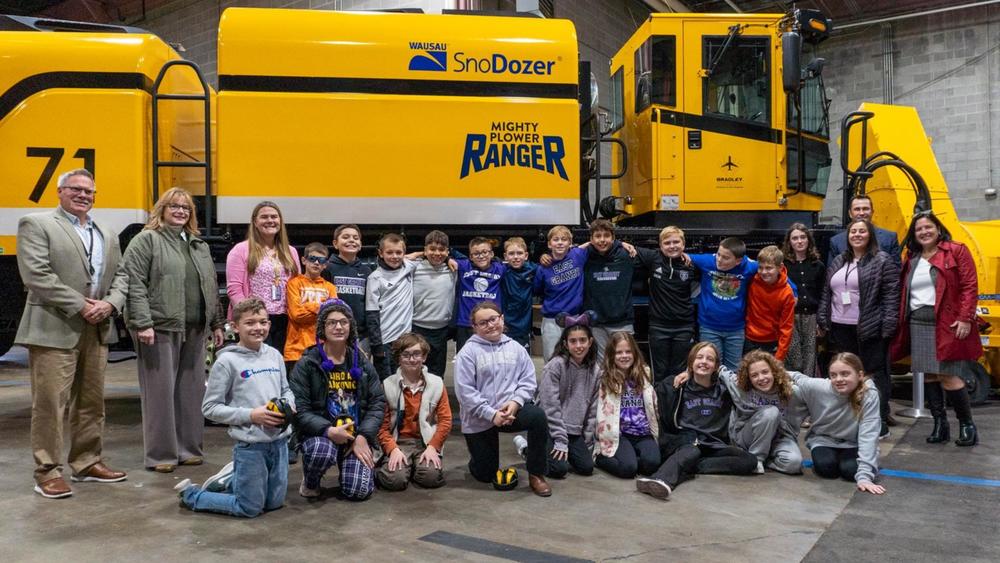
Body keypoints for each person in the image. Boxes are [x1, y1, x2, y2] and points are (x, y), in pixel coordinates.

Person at [15, 168, 129, 499]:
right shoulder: (37, 224)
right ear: (60, 191)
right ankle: (47, 471)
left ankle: (87, 462)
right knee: (51, 403)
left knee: (92, 402)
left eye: (89, 191)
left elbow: (121, 276)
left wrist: (109, 305)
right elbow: (36, 275)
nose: (83, 195)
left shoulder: (106, 232)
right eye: (75, 189)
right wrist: (81, 305)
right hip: (54, 327)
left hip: (97, 328)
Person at [122, 187, 226, 473]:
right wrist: (142, 322)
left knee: (191, 393)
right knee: (159, 393)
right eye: (174, 206)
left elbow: (210, 288)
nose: (180, 211)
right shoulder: (146, 241)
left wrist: (216, 323)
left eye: (186, 208)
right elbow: (134, 284)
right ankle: (161, 455)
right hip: (159, 327)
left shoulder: (198, 245)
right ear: (162, 210)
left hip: (195, 328)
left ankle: (189, 449)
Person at [176, 297, 297, 516]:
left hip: (279, 443)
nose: (258, 327)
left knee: (274, 503)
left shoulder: (275, 356)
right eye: (250, 323)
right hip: (251, 446)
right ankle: (193, 495)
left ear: (269, 324)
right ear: (235, 326)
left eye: (262, 322)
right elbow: (210, 408)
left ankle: (234, 479)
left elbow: (286, 390)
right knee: (249, 508)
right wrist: (252, 415)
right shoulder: (226, 362)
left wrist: (289, 404)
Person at [891, 212, 981, 446]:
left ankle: (967, 425)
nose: (924, 232)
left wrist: (965, 318)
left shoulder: (956, 250)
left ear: (938, 229)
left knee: (949, 375)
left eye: (928, 227)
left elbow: (970, 286)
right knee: (928, 374)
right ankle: (940, 425)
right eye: (919, 229)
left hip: (947, 322)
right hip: (918, 322)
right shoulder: (912, 258)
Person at [635, 342, 757, 500]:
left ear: (716, 366)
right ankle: (660, 479)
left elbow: (746, 389)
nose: (704, 362)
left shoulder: (725, 390)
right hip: (684, 441)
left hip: (712, 444)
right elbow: (656, 403)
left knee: (749, 461)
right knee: (692, 451)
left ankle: (687, 466)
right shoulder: (677, 385)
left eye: (710, 359)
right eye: (699, 357)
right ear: (691, 363)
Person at [454, 302, 552, 497]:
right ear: (474, 327)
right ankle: (478, 458)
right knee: (485, 475)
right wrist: (491, 415)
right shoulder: (467, 353)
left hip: (511, 412)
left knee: (538, 417)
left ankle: (536, 473)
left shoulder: (516, 348)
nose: (490, 325)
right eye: (483, 323)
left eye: (493, 319)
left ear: (502, 319)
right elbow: (465, 393)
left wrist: (516, 402)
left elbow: (528, 381)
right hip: (481, 417)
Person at [290, 299, 385, 501]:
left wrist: (363, 437)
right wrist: (329, 431)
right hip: (323, 435)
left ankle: (351, 470)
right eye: (331, 322)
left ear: (351, 327)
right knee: (319, 452)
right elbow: (301, 409)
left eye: (344, 322)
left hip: (355, 435)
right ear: (322, 328)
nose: (338, 327)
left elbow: (377, 403)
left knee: (358, 491)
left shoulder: (363, 363)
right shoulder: (308, 364)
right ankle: (311, 482)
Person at [819, 218, 899, 438]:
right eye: (853, 231)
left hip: (870, 327)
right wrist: (823, 319)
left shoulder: (882, 260)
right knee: (847, 374)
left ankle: (879, 421)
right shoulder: (838, 260)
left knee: (874, 375)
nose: (857, 235)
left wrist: (888, 325)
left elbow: (892, 296)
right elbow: (828, 292)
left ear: (870, 235)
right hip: (840, 327)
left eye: (862, 231)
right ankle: (852, 418)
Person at [674, 350, 804, 474]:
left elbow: (815, 388)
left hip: (779, 438)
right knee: (771, 412)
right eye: (754, 375)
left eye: (765, 372)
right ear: (748, 377)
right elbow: (714, 368)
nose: (761, 378)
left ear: (774, 372)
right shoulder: (739, 386)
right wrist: (688, 372)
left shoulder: (792, 391)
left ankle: (767, 459)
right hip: (747, 436)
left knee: (793, 464)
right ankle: (756, 460)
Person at [794, 353, 885, 495]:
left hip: (854, 443)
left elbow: (869, 434)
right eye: (833, 375)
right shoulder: (820, 387)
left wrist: (865, 477)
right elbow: (796, 377)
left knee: (850, 471)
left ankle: (865, 460)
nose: (839, 379)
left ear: (860, 375)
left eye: (845, 374)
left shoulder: (869, 394)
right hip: (824, 440)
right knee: (826, 469)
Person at [376, 333, 452, 490]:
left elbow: (445, 421)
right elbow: (381, 426)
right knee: (394, 481)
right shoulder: (387, 385)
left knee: (430, 478)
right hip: (398, 442)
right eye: (406, 355)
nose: (412, 359)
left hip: (424, 443)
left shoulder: (437, 384)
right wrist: (392, 449)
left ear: (424, 357)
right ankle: (400, 467)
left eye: (417, 354)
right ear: (398, 358)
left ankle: (413, 466)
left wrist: (433, 446)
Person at [225, 201, 300, 354]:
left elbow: (297, 284)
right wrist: (249, 318)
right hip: (256, 321)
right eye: (264, 217)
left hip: (285, 320)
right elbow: (234, 290)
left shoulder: (290, 251)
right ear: (255, 222)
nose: (270, 220)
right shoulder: (240, 250)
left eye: (274, 217)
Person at [528, 322, 600, 478]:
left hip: (573, 430)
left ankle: (547, 450)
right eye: (573, 341)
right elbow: (550, 407)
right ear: (565, 344)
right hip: (549, 427)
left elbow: (593, 410)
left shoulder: (595, 370)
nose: (578, 345)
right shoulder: (555, 366)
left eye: (583, 340)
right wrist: (560, 439)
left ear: (590, 342)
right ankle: (528, 449)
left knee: (586, 467)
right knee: (559, 469)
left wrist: (587, 441)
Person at [593, 332, 660, 479]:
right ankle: (600, 457)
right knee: (628, 469)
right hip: (620, 433)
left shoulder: (644, 373)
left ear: (635, 353)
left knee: (652, 465)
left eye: (628, 351)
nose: (624, 355)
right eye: (619, 352)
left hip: (643, 433)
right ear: (611, 355)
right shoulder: (605, 378)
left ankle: (632, 456)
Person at [635, 226, 698, 382]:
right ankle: (660, 405)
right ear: (660, 246)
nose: (672, 246)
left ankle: (677, 405)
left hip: (684, 327)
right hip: (659, 327)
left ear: (683, 244)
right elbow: (622, 246)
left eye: (676, 242)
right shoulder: (653, 258)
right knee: (659, 372)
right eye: (667, 243)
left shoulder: (690, 264)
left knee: (680, 372)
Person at [687, 237, 758, 370]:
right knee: (711, 368)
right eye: (719, 254)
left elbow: (774, 268)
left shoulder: (749, 266)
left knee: (733, 370)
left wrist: (793, 290)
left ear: (738, 261)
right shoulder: (707, 261)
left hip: (735, 330)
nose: (719, 259)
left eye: (726, 258)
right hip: (709, 327)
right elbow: (681, 255)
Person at [366, 233, 418, 378]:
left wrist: (448, 258)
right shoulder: (375, 277)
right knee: (386, 383)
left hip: (405, 340)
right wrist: (377, 346)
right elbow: (372, 313)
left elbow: (429, 254)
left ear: (404, 253)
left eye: (398, 252)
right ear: (380, 253)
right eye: (389, 252)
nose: (394, 256)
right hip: (385, 342)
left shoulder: (409, 267)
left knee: (405, 380)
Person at [583, 219, 638, 357]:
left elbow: (659, 255)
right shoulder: (584, 256)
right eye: (597, 236)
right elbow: (567, 253)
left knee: (624, 362)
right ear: (591, 239)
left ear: (613, 238)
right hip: (597, 324)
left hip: (622, 323)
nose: (602, 240)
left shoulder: (626, 255)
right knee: (601, 367)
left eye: (606, 236)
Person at [535, 225, 588, 360]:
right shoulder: (543, 267)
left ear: (570, 243)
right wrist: (542, 256)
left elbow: (595, 243)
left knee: (576, 359)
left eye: (564, 239)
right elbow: (537, 290)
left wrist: (623, 244)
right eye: (556, 239)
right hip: (552, 320)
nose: (559, 242)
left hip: (575, 319)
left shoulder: (578, 255)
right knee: (552, 359)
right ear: (549, 244)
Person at [284, 242, 338, 373]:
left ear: (325, 265)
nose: (316, 263)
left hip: (324, 350)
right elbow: (296, 315)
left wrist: (307, 307)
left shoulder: (330, 287)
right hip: (296, 350)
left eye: (321, 260)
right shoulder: (293, 283)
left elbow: (331, 317)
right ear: (304, 260)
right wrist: (321, 307)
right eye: (312, 259)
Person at [411, 230, 457, 377]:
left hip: (441, 330)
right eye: (432, 249)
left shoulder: (452, 269)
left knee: (437, 372)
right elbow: (396, 258)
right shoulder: (414, 267)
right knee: (416, 369)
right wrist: (418, 254)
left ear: (447, 251)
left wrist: (448, 259)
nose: (437, 253)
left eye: (442, 250)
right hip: (418, 327)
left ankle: (435, 400)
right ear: (425, 250)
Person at [782, 223, 825, 376]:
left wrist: (821, 321)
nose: (799, 241)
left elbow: (822, 294)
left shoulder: (818, 265)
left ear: (808, 241)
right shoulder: (783, 266)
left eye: (802, 237)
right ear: (789, 242)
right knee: (794, 358)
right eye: (795, 238)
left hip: (811, 317)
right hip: (790, 317)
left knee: (809, 357)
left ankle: (808, 392)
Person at [321, 224, 373, 350]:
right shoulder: (327, 268)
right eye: (345, 237)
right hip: (334, 332)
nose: (351, 240)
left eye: (355, 238)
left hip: (360, 336)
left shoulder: (366, 271)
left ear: (360, 244)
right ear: (335, 243)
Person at [743, 245, 796, 361]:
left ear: (780, 267)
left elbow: (786, 327)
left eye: (769, 268)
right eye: (760, 268)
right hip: (749, 339)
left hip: (772, 343)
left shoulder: (787, 293)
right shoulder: (751, 280)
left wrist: (780, 356)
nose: (763, 272)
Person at [454, 237, 506, 351]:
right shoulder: (463, 266)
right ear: (471, 256)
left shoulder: (500, 268)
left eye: (484, 252)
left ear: (492, 254)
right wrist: (448, 259)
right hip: (466, 323)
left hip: (491, 323)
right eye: (476, 253)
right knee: (465, 359)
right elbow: (445, 252)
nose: (481, 256)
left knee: (491, 359)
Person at [827, 195, 901, 266]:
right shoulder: (836, 241)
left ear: (872, 212)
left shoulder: (889, 238)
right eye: (857, 209)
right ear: (850, 213)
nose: (861, 213)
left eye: (865, 209)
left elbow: (896, 270)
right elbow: (832, 273)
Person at [500, 237, 538, 350]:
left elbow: (552, 264)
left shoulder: (533, 269)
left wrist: (545, 256)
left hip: (523, 326)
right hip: (505, 326)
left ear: (526, 256)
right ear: (505, 256)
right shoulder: (501, 270)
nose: (516, 257)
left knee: (523, 361)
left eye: (519, 253)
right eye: (511, 254)